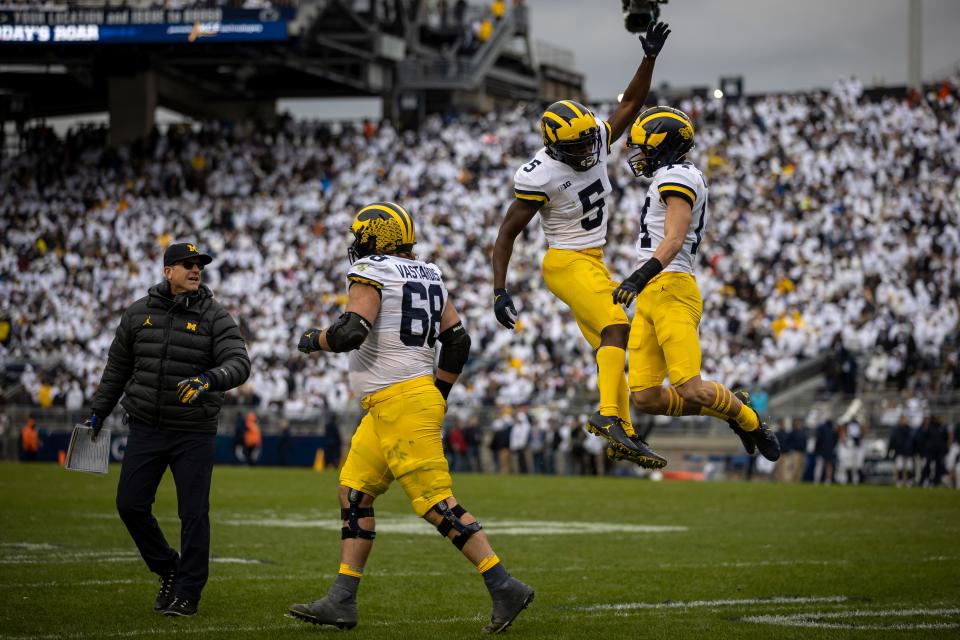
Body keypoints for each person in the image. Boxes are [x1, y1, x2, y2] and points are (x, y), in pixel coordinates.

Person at [290, 202, 533, 633]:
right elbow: (457, 342)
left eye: (361, 235)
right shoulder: (430, 272)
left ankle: (503, 584)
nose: (356, 244)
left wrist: (314, 339)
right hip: (395, 402)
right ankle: (342, 599)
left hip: (399, 400)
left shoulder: (372, 270)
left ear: (373, 238)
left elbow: (351, 332)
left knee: (435, 504)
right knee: (353, 494)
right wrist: (435, 394)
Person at [492, 21, 671, 469]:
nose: (592, 148)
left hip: (591, 260)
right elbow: (507, 234)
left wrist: (648, 57)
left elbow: (630, 103)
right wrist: (499, 289)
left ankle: (622, 431)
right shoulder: (542, 174)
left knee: (609, 346)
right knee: (617, 327)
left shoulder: (591, 140)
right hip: (566, 262)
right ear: (554, 147)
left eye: (592, 139)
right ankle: (610, 418)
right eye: (579, 144)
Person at [87, 242, 251, 617]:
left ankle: (188, 593)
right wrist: (99, 411)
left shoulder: (216, 316)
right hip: (146, 426)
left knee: (193, 513)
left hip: (193, 430)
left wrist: (210, 379)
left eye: (200, 266)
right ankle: (169, 568)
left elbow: (239, 363)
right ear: (167, 271)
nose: (196, 270)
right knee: (129, 504)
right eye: (187, 264)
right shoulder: (137, 313)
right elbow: (117, 369)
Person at [611, 106, 781, 463]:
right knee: (645, 397)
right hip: (652, 295)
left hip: (671, 287)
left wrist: (638, 277)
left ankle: (749, 419)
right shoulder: (669, 175)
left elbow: (674, 239)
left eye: (645, 145)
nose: (639, 154)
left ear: (666, 145)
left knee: (689, 387)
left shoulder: (680, 175)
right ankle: (732, 408)